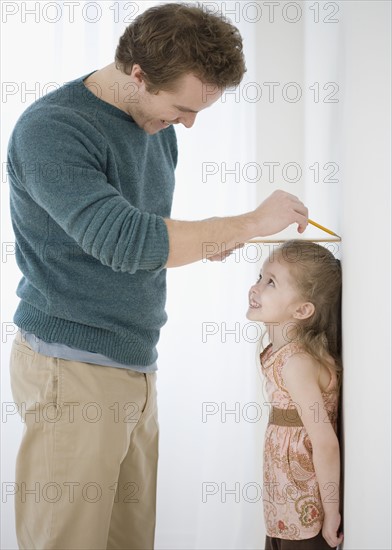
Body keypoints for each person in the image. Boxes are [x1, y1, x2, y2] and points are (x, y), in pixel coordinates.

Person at [7, 3, 308, 549]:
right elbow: (127, 241)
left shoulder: (156, 124)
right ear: (137, 75)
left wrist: (217, 238)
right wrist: (252, 220)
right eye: (182, 107)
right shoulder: (52, 130)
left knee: (129, 541)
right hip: (72, 366)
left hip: (134, 362)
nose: (189, 124)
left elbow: (147, 230)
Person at [246, 240, 343, 550]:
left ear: (302, 309)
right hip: (284, 511)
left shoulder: (296, 363)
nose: (256, 287)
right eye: (260, 277)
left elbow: (325, 443)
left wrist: (331, 514)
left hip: (305, 519)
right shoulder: (280, 354)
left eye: (271, 282)